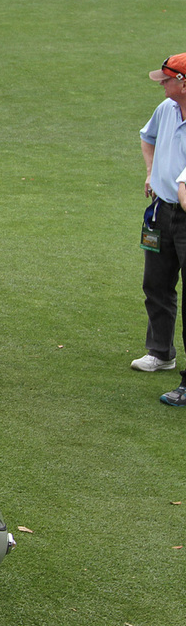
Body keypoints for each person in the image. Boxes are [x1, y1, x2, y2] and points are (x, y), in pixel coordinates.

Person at [134, 54, 186, 399]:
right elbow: (147, 137)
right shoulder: (165, 110)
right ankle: (160, 352)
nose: (161, 84)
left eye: (166, 79)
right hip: (161, 211)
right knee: (156, 284)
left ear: (183, 82)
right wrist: (151, 172)